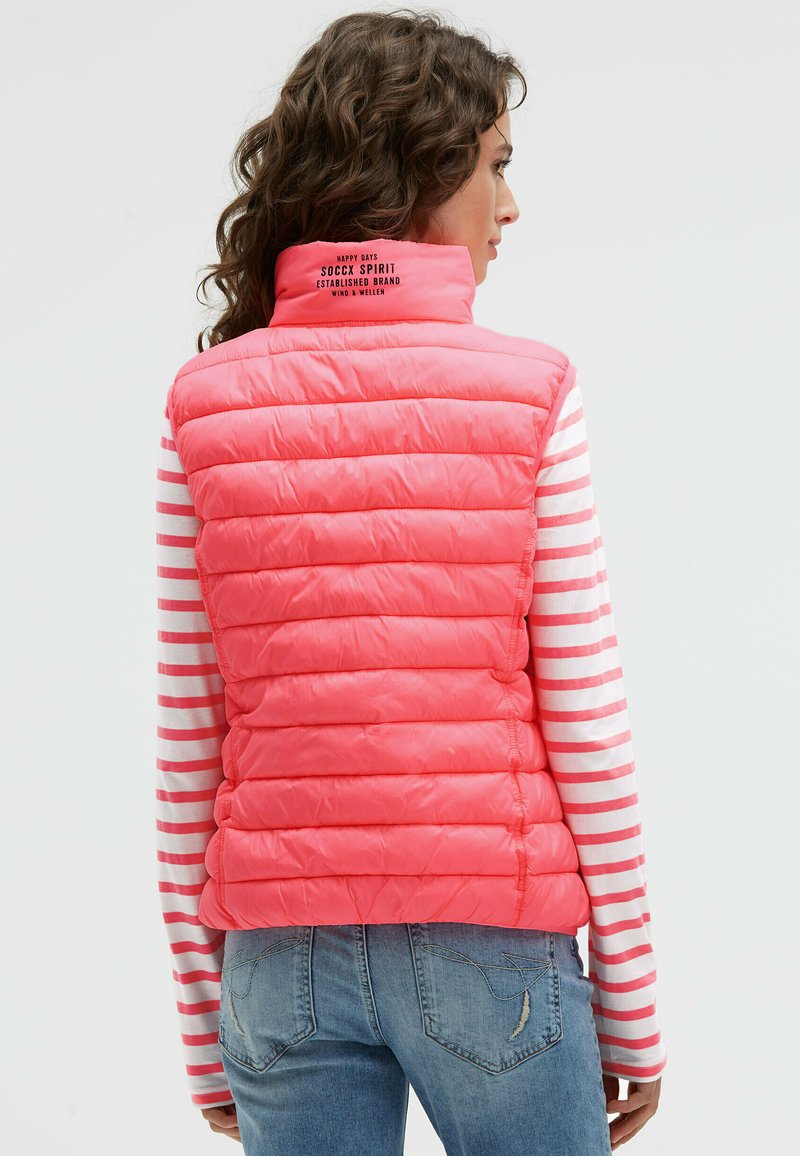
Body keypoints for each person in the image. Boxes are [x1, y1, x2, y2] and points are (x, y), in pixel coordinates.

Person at [154, 8, 667, 1153]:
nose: (508, 206)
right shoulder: (530, 389)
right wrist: (629, 998)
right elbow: (583, 718)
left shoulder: (203, 405)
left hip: (274, 967)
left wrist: (201, 1020)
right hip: (492, 945)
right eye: (494, 166)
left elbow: (191, 738)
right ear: (421, 170)